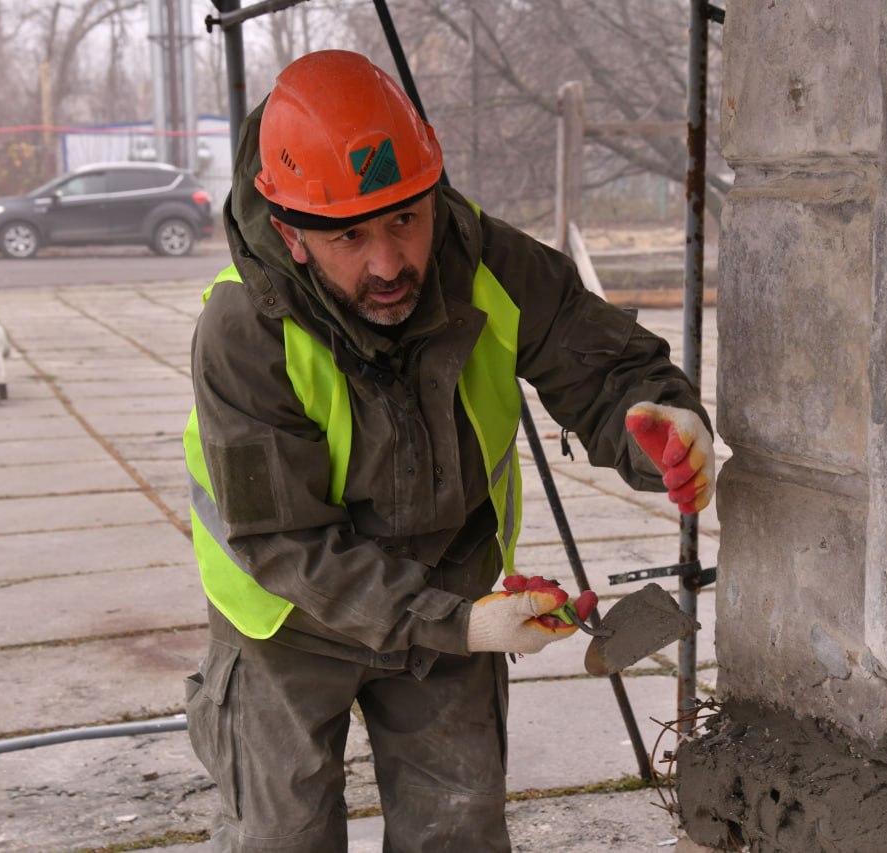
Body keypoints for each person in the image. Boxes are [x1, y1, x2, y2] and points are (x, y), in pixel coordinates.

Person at [182, 49, 715, 853]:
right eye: (350, 236)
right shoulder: (243, 330)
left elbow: (608, 371)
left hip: (449, 587)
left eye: (405, 218)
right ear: (291, 233)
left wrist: (662, 424)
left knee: (458, 831)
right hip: (288, 618)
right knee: (282, 837)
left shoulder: (486, 261)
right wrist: (458, 624)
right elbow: (285, 541)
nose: (389, 262)